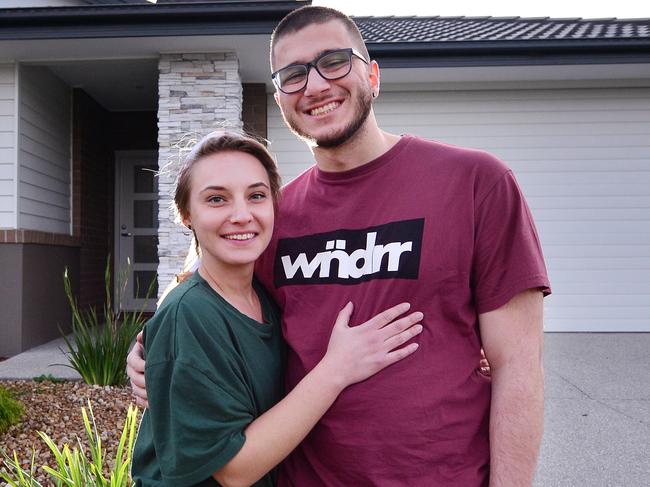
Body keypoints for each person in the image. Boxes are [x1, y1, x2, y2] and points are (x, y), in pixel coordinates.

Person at [129, 6, 551, 486]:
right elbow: (210, 290)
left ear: (372, 75)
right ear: (281, 99)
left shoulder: (476, 183)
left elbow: (518, 366)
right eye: (293, 75)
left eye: (334, 62)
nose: (314, 86)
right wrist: (148, 353)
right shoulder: (273, 216)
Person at [130, 131, 424, 487]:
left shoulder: (265, 294)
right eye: (217, 199)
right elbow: (234, 471)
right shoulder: (190, 313)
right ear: (186, 214)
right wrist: (337, 368)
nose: (241, 215)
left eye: (256, 196)